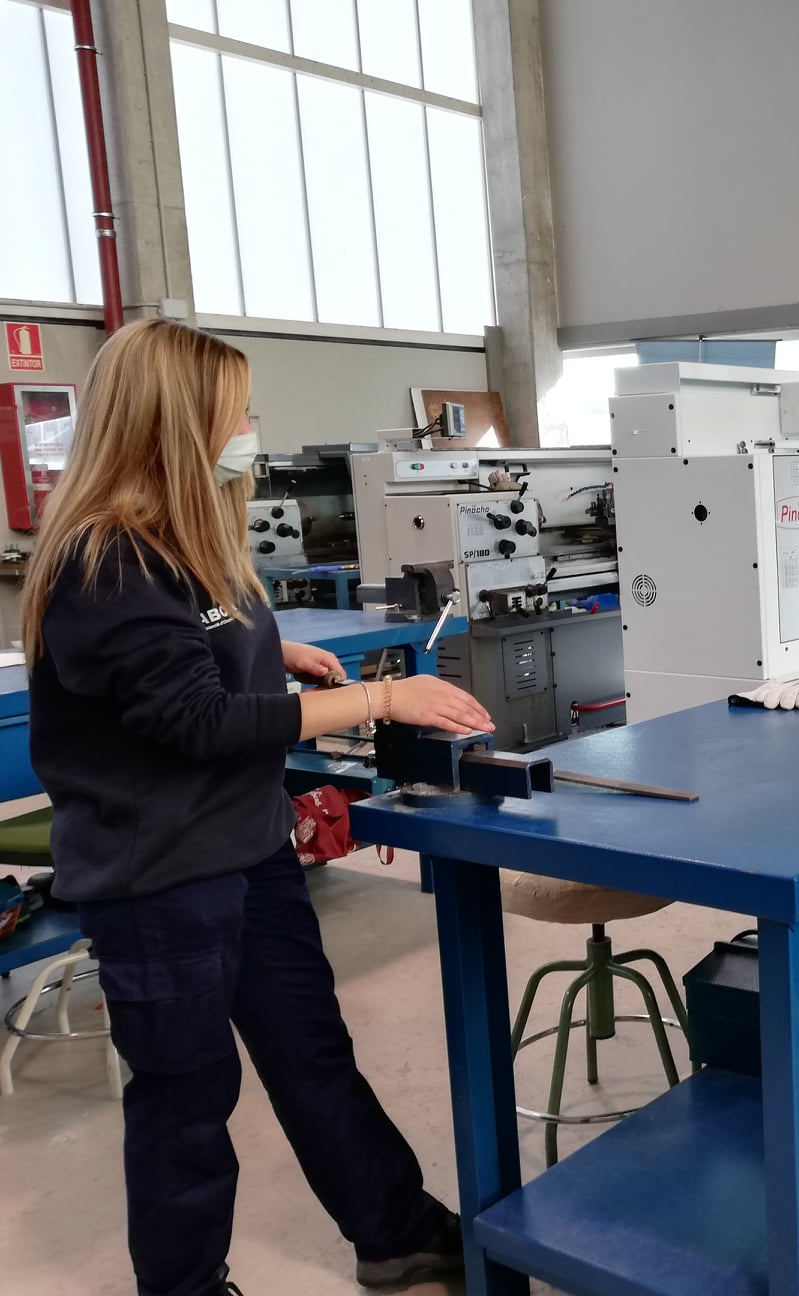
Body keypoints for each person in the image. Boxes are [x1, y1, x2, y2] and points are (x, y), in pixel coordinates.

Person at [22, 318, 496, 1296]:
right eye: (236, 414)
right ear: (174, 423)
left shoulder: (186, 541)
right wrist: (379, 699)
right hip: (161, 879)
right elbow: (191, 720)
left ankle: (394, 1232)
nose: (250, 430)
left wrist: (266, 649)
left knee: (311, 1053)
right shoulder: (107, 560)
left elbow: (185, 645)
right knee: (187, 1100)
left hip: (247, 848)